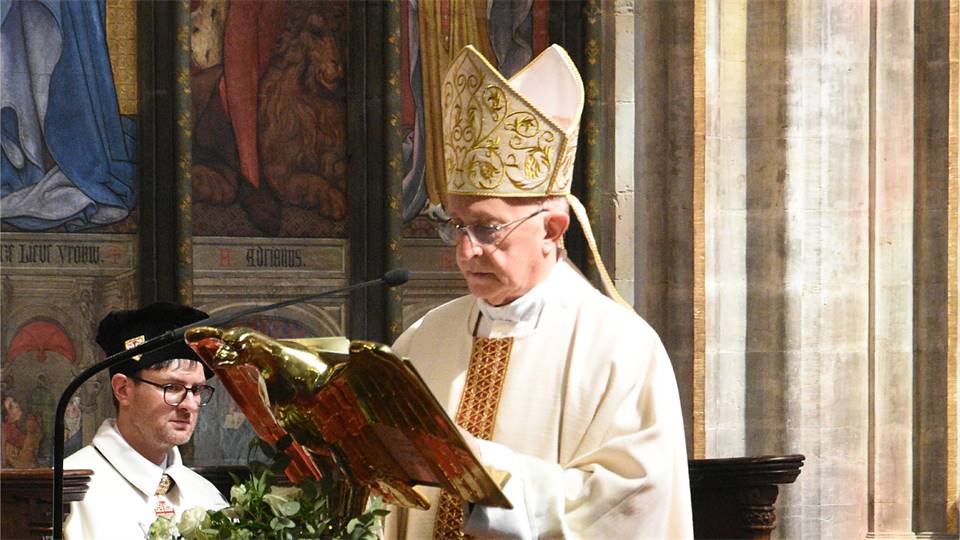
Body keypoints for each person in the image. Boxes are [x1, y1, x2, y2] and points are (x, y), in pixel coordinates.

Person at [384, 44, 693, 538]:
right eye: (456, 225)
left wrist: (480, 472)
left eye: (487, 228)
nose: (465, 251)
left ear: (552, 229)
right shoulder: (422, 341)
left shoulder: (622, 351)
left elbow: (631, 505)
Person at [64, 302, 227, 539]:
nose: (190, 405)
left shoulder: (207, 496)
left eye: (197, 390)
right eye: (173, 387)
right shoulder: (66, 492)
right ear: (123, 389)